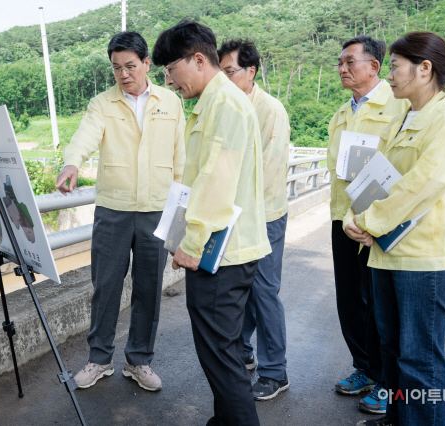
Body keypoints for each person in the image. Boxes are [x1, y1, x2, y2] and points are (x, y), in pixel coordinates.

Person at [346, 31, 445, 426]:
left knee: (420, 358)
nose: (389, 75)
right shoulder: (404, 116)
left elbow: (420, 185)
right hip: (388, 251)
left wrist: (368, 221)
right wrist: (358, 217)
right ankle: (400, 420)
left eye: (394, 66)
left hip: (425, 259)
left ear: (424, 69)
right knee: (392, 351)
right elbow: (380, 175)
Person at [152, 21, 271, 426]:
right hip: (220, 248)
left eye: (170, 70)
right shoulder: (215, 102)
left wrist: (192, 242)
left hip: (222, 252)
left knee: (222, 357)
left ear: (198, 59)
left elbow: (216, 181)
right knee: (222, 351)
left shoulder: (224, 105)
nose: (169, 81)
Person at [56, 31, 186, 392]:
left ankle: (139, 361)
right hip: (113, 211)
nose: (124, 74)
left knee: (149, 289)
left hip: (157, 211)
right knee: (106, 287)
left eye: (130, 66)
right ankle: (99, 359)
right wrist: (71, 164)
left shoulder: (170, 102)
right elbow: (84, 136)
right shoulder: (102, 104)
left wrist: (179, 224)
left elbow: (182, 162)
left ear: (146, 64)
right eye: (116, 68)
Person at [327, 35, 410, 415]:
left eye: (349, 62)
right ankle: (363, 368)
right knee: (349, 300)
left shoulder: (398, 105)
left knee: (380, 304)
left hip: (376, 222)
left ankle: (385, 380)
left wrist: (376, 219)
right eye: (340, 63)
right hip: (343, 219)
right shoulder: (342, 113)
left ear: (374, 67)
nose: (342, 68)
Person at [218, 39, 291, 401]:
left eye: (230, 71)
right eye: (221, 72)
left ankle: (276, 371)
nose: (225, 78)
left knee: (263, 291)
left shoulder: (270, 111)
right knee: (242, 288)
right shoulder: (227, 106)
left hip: (263, 215)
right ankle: (244, 352)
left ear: (251, 71)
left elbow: (267, 171)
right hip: (235, 214)